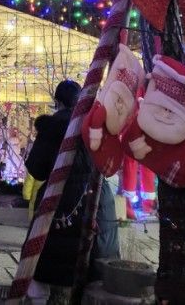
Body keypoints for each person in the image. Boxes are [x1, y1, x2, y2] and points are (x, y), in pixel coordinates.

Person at [23, 80, 120, 304]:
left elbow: (36, 170)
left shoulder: (51, 126)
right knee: (94, 256)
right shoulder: (96, 123)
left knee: (41, 255)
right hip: (96, 197)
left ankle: (39, 297)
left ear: (57, 102)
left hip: (59, 200)